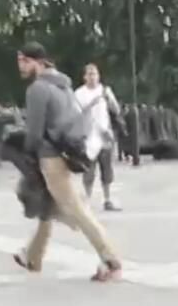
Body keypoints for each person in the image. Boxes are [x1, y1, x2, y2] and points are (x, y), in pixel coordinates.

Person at [13, 43, 122, 280]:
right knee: (47, 207)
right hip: (66, 151)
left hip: (50, 157)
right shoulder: (64, 86)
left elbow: (34, 132)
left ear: (39, 62)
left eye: (24, 62)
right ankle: (32, 257)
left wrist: (25, 151)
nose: (20, 67)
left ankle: (110, 258)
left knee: (76, 210)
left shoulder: (37, 89)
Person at [75, 63, 122, 212]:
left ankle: (107, 199)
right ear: (84, 77)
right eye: (89, 74)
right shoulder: (79, 93)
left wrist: (110, 99)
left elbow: (116, 110)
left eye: (94, 74)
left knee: (106, 169)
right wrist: (93, 101)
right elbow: (77, 112)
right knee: (88, 170)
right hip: (88, 137)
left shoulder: (105, 91)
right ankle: (86, 202)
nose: (92, 77)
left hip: (104, 135)